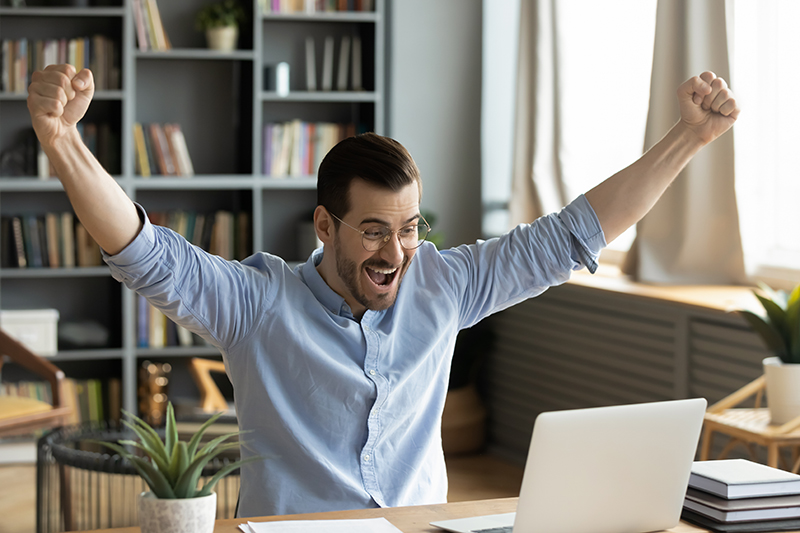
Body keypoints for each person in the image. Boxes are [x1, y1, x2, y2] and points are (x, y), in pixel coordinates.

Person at [27, 64, 739, 517]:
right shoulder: (258, 303)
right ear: (325, 224)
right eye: (372, 231)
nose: (395, 251)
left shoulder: (443, 283)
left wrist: (690, 136)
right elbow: (146, 251)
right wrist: (62, 141)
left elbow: (571, 235)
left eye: (408, 228)